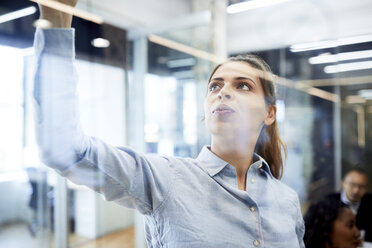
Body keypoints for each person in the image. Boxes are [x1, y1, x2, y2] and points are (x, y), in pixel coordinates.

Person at [33, 1, 305, 247]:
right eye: (214, 86)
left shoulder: (287, 201)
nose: (222, 92)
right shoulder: (166, 179)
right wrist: (56, 15)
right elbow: (64, 149)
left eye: (243, 85)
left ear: (270, 113)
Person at [328, 167, 372, 242]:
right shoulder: (328, 202)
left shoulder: (369, 202)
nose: (356, 191)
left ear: (367, 188)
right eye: (352, 185)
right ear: (343, 183)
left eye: (361, 187)